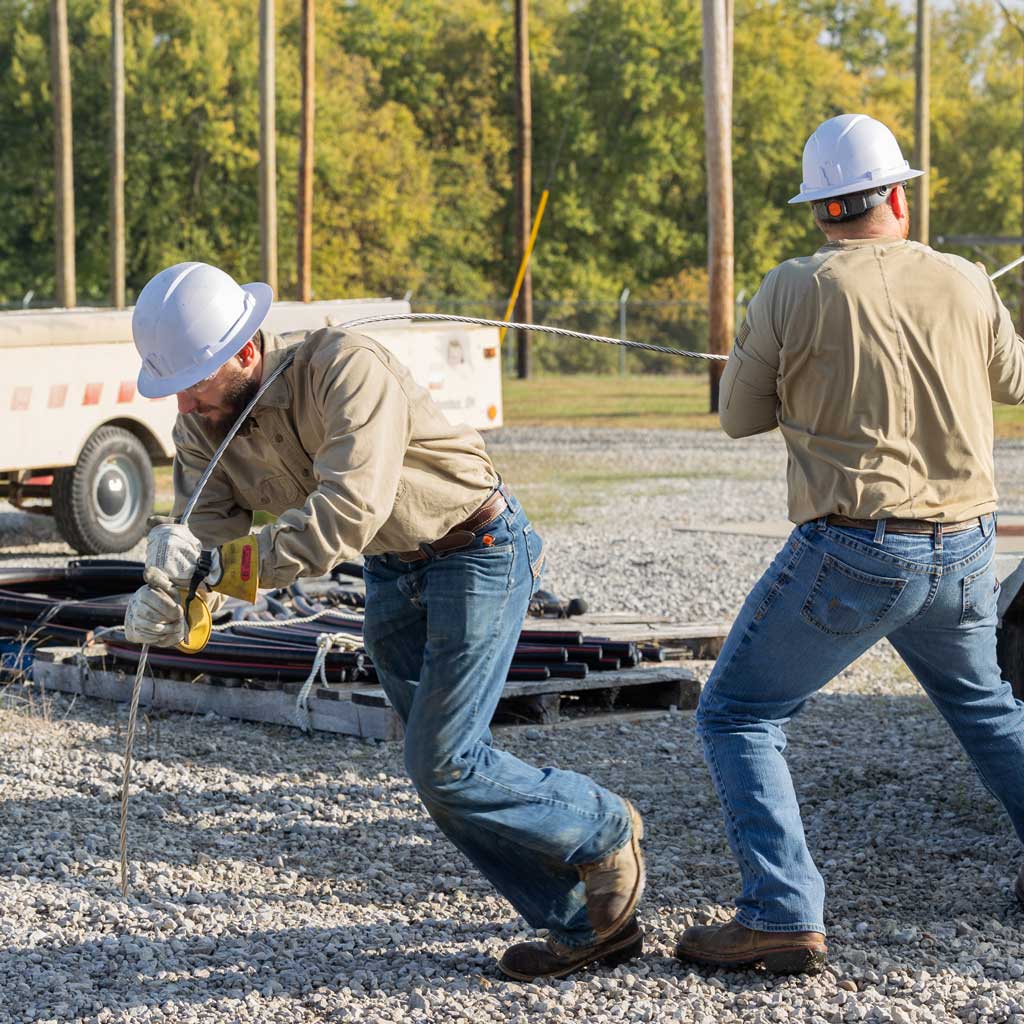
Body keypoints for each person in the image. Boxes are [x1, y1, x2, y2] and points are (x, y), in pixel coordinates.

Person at [122, 261, 646, 980]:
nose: (183, 404)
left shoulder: (345, 367)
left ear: (245, 353)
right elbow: (208, 543)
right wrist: (174, 601)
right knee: (438, 769)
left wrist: (217, 572)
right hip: (393, 570)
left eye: (195, 382)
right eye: (173, 385)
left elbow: (346, 513)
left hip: (477, 549)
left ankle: (603, 825)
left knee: (444, 763)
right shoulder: (203, 424)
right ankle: (585, 926)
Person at [675, 114, 1024, 975]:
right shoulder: (966, 278)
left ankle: (782, 912)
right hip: (967, 545)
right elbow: (1015, 380)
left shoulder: (795, 286)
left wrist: (785, 365)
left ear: (821, 210)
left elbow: (738, 417)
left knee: (737, 715)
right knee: (987, 713)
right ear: (896, 197)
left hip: (859, 549)